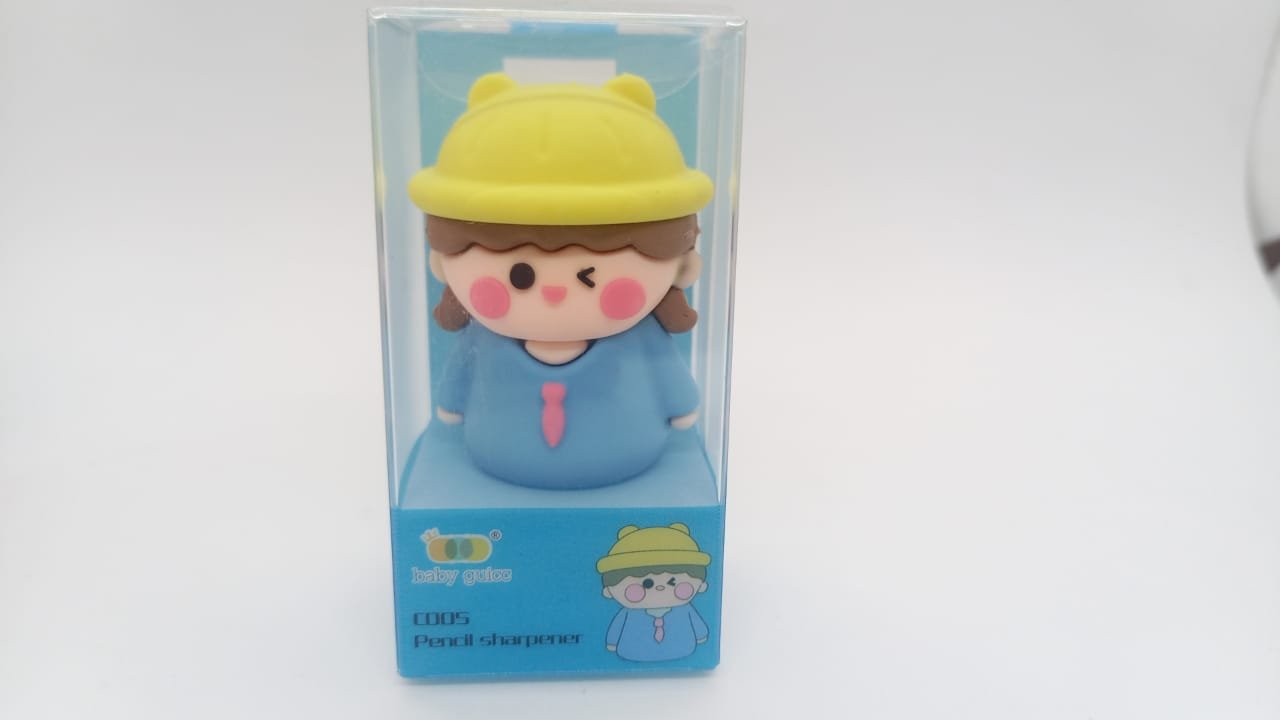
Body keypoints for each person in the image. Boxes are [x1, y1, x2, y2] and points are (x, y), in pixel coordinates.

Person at [408, 72, 712, 489]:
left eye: (589, 276)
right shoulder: (483, 341)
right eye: (521, 275)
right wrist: (451, 402)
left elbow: (668, 374)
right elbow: (460, 376)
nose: (554, 293)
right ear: (443, 264)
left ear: (680, 267)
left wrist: (682, 405)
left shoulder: (641, 341)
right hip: (496, 446)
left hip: (630, 445)